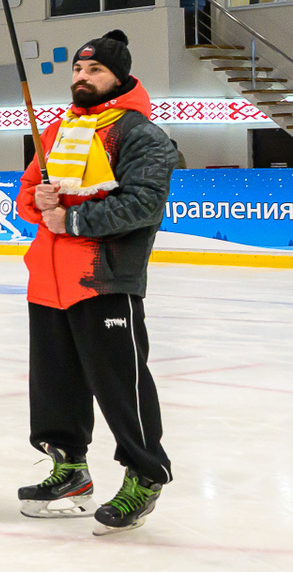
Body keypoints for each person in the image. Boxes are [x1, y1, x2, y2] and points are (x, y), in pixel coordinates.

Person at [14, 30, 178, 534]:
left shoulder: (140, 134)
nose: (82, 78)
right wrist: (38, 201)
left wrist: (72, 220)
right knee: (54, 385)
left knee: (121, 386)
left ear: (119, 77)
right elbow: (27, 194)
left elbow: (143, 205)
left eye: (95, 70)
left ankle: (145, 475)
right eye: (78, 69)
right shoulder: (60, 130)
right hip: (48, 282)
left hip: (102, 278)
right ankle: (70, 471)